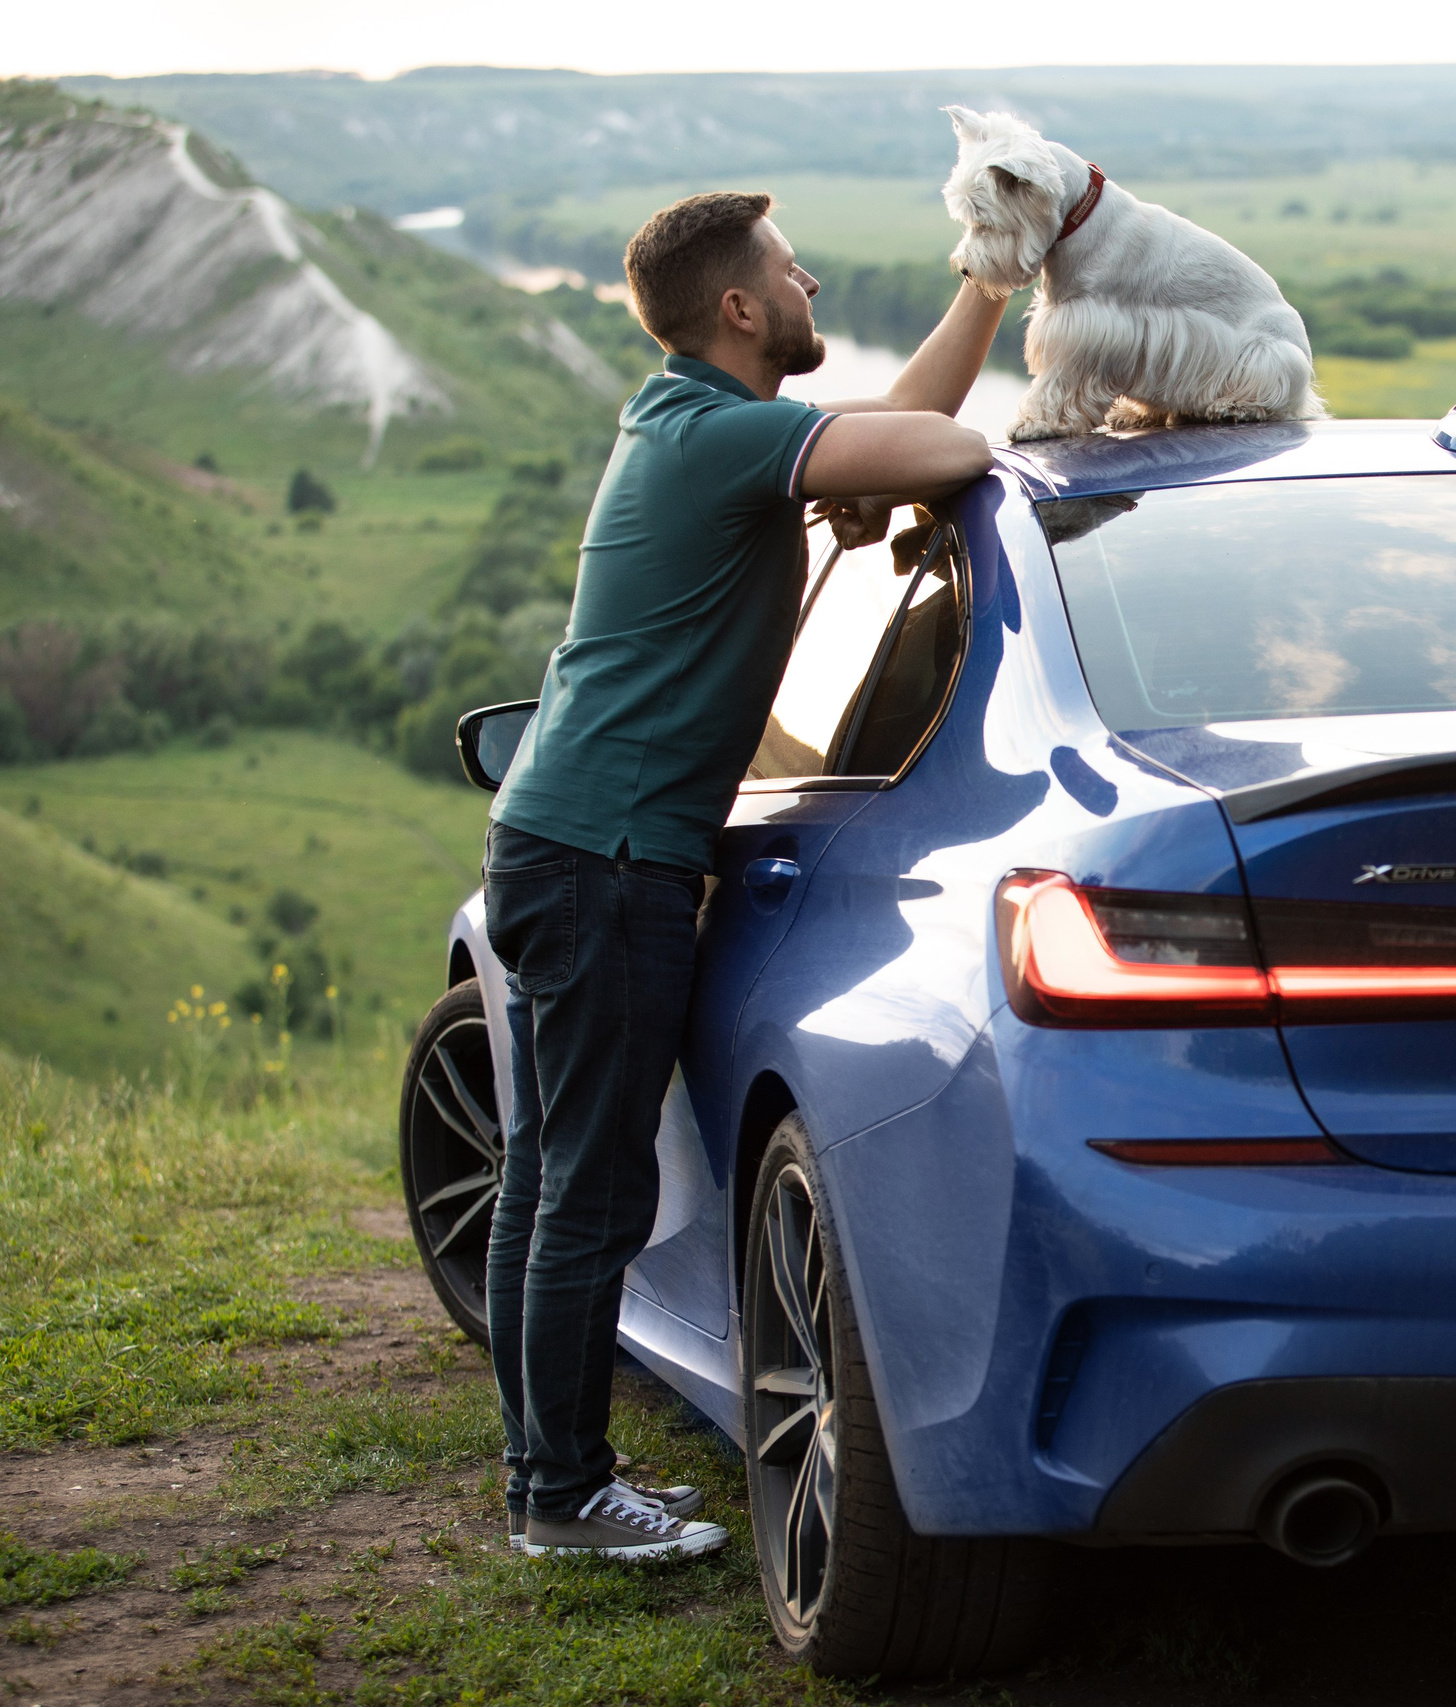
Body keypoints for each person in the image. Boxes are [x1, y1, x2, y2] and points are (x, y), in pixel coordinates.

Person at [480, 191, 1008, 1560]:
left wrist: (989, 289)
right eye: (788, 269)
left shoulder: (690, 426)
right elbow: (945, 449)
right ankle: (562, 1497)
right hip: (609, 862)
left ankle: (546, 1474)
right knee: (589, 1192)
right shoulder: (724, 441)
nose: (810, 279)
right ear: (737, 308)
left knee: (550, 1177)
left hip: (557, 838)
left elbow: (888, 444)